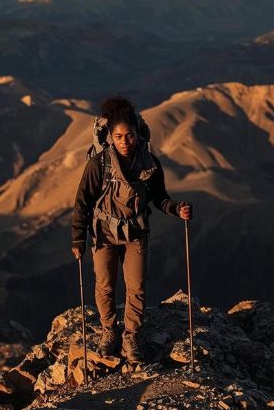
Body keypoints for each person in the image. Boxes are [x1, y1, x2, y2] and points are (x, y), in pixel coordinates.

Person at [70, 96, 193, 363]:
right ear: (110, 138)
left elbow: (160, 197)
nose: (125, 141)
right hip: (103, 234)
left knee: (135, 287)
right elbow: (82, 202)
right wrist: (78, 238)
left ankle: (131, 336)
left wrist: (177, 209)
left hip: (136, 234)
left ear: (138, 135)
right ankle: (108, 332)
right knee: (105, 286)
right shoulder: (98, 164)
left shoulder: (150, 164)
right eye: (119, 136)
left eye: (129, 136)